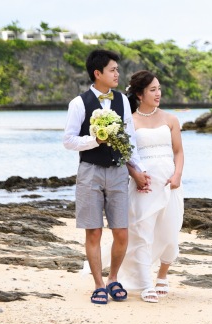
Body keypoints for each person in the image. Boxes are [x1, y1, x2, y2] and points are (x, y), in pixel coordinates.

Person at [63, 49, 149, 305]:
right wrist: (94, 140)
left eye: (117, 70)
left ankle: (113, 278)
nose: (117, 74)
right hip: (89, 171)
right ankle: (98, 284)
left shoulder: (122, 100)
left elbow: (129, 139)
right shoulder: (78, 103)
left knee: (122, 232)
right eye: (113, 70)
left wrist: (138, 170)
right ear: (97, 73)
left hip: (118, 172)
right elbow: (68, 141)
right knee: (94, 232)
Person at [118, 70, 185, 303]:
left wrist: (177, 175)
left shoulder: (171, 119)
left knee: (170, 230)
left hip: (169, 183)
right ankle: (146, 283)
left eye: (159, 88)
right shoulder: (129, 122)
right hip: (143, 184)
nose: (158, 93)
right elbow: (125, 155)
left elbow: (178, 151)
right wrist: (135, 174)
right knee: (142, 232)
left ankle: (163, 275)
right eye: (152, 90)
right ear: (139, 94)